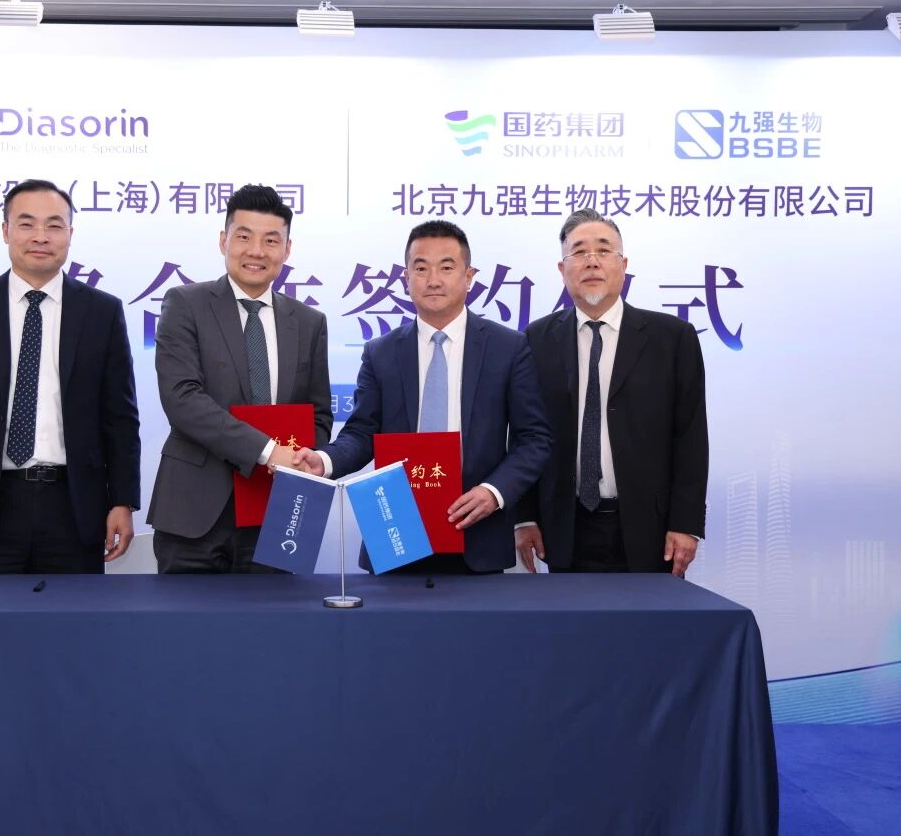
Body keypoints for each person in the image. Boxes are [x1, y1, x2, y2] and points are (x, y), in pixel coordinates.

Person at [294, 220, 551, 574]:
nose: (433, 280)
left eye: (446, 267)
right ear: (406, 278)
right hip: (395, 531)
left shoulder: (508, 347)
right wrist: (324, 460)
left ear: (469, 276)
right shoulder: (381, 352)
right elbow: (361, 433)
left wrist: (494, 492)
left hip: (477, 533)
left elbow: (534, 439)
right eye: (421, 268)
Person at [0, 179, 141, 593]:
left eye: (54, 225)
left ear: (70, 234)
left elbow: (120, 417)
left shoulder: (102, 312)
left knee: (72, 626)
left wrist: (122, 500)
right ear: (6, 231)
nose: (41, 236)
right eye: (27, 224)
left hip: (75, 506)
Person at [147, 184, 332, 573]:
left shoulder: (309, 323)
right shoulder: (185, 304)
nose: (256, 251)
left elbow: (318, 414)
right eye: (244, 237)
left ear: (287, 249)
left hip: (277, 511)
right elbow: (182, 399)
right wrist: (268, 451)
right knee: (185, 614)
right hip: (194, 511)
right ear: (224, 241)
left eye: (271, 240)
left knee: (273, 614)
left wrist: (302, 458)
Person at [514, 208, 708, 576]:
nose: (592, 261)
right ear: (562, 269)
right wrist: (524, 517)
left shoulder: (672, 338)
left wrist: (686, 523)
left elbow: (690, 437)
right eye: (579, 252)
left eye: (604, 250)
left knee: (648, 616)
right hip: (563, 526)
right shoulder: (535, 339)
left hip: (650, 527)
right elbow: (524, 433)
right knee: (567, 615)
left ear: (623, 264)